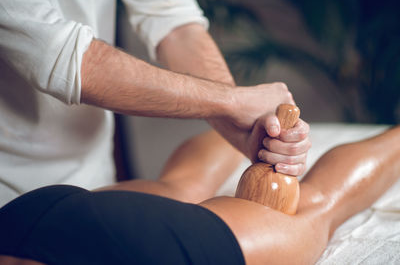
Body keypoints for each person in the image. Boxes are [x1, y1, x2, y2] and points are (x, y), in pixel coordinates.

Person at [0, 0, 310, 207]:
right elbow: (58, 56)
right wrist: (232, 102)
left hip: (93, 186)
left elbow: (172, 21)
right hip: (11, 193)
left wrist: (239, 127)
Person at [0, 125, 399, 264]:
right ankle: (240, 133)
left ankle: (247, 131)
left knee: (318, 204)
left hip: (137, 255)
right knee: (179, 188)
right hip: (29, 216)